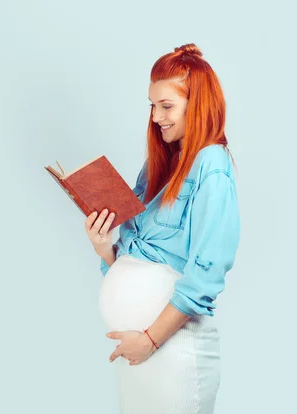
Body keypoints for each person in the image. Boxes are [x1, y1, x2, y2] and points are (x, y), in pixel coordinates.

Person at [84, 43, 240, 414]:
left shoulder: (212, 165)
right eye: (152, 105)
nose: (155, 117)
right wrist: (103, 247)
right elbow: (129, 261)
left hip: (172, 351)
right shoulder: (156, 167)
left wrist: (150, 341)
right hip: (136, 354)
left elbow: (206, 273)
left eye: (166, 106)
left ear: (197, 105)